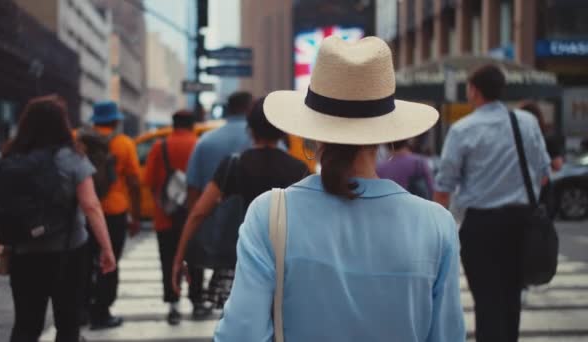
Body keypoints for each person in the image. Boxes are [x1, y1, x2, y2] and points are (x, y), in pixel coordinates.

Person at [211, 36, 465, 341]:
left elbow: (241, 334)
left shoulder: (271, 215)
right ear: (386, 132)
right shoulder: (436, 224)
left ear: (313, 132)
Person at [0, 95, 116, 342]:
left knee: (26, 324)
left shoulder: (12, 157)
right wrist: (107, 249)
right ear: (62, 124)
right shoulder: (72, 158)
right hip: (69, 253)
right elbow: (91, 205)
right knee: (67, 324)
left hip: (24, 253)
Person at [434, 65, 551, 342]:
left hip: (481, 226)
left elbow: (444, 186)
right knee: (512, 298)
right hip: (522, 223)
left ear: (474, 90)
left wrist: (441, 226)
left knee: (486, 302)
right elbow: (545, 173)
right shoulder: (526, 122)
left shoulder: (463, 130)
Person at [172, 97, 308, 308]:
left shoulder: (233, 165)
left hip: (240, 264)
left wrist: (180, 257)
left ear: (250, 129)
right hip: (284, 266)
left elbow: (198, 213)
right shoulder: (299, 170)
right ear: (282, 131)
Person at [184, 91, 253, 317]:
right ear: (249, 108)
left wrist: (193, 229)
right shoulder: (263, 142)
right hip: (253, 234)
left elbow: (193, 190)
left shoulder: (206, 142)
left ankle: (201, 303)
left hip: (212, 232)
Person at [86, 101, 142, 330]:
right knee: (109, 262)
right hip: (114, 212)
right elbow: (135, 182)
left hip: (85, 211)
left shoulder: (79, 140)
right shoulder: (124, 144)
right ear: (116, 121)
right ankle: (102, 312)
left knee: (83, 262)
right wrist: (136, 216)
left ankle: (82, 310)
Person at [144, 110, 197, 325]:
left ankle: (173, 305)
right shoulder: (198, 144)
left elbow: (148, 181)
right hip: (194, 216)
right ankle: (197, 300)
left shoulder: (160, 146)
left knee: (168, 260)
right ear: (192, 125)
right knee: (195, 260)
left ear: (173, 125)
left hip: (166, 217)